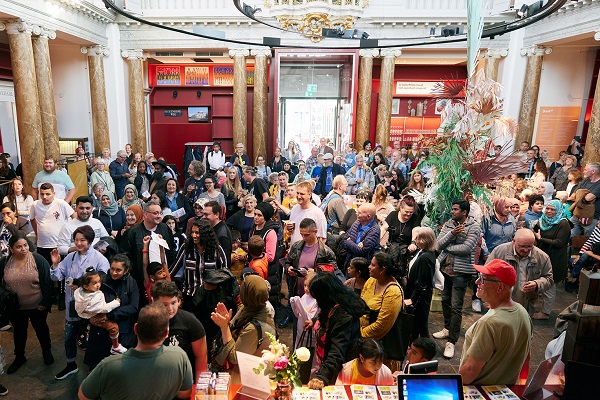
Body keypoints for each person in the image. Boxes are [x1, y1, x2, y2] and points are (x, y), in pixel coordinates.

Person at [78, 303, 193, 400]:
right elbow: (184, 393)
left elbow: (83, 396)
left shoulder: (108, 366)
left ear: (135, 329)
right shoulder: (179, 357)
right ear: (166, 332)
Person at [50, 225, 111, 379]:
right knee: (69, 336)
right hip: (73, 304)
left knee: (93, 336)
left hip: (92, 306)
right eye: (76, 240)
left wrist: (84, 284)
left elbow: (104, 282)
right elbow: (56, 277)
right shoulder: (70, 258)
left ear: (90, 241)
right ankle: (71, 364)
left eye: (82, 240)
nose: (78, 243)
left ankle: (94, 366)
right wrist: (56, 264)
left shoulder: (99, 259)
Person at [459, 259, 533, 386]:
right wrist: (521, 386)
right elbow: (526, 356)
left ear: (500, 287)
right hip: (505, 391)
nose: (477, 282)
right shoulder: (522, 312)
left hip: (479, 391)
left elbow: (471, 370)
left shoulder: (489, 323)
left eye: (483, 279)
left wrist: (453, 387)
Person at [433, 200, 481, 359]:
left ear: (464, 212)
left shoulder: (473, 226)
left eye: (455, 209)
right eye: (452, 209)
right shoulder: (449, 224)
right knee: (445, 300)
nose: (452, 212)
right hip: (445, 269)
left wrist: (447, 247)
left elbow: (466, 249)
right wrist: (452, 234)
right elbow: (437, 244)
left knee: (456, 306)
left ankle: (452, 341)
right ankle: (447, 328)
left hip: (461, 272)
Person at [0, 233, 54, 374]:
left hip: (37, 305)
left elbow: (47, 282)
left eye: (25, 245)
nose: (23, 249)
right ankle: (19, 357)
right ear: (11, 249)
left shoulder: (37, 259)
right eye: (19, 247)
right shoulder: (5, 262)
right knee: (19, 332)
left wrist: (45, 302)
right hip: (15, 307)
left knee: (41, 329)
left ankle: (46, 351)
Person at [210, 274, 276, 383]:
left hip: (247, 379)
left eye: (243, 286)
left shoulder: (255, 328)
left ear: (247, 294)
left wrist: (224, 327)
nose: (240, 287)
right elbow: (234, 326)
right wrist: (227, 322)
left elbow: (235, 357)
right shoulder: (249, 308)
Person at [307, 272, 368, 389]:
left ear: (324, 296)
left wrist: (322, 377)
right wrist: (315, 320)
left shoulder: (343, 314)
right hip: (331, 365)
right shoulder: (337, 303)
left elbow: (337, 349)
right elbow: (325, 315)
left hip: (341, 370)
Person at [84, 254, 140, 370]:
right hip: (100, 330)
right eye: (112, 269)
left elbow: (134, 307)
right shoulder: (101, 281)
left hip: (123, 332)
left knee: (120, 368)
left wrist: (109, 314)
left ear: (126, 271)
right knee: (97, 367)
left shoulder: (131, 283)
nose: (114, 272)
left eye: (118, 270)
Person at [281, 218, 337, 329]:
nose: (303, 238)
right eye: (301, 234)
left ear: (315, 232)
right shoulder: (297, 246)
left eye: (306, 235)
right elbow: (287, 261)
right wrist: (289, 269)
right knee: (298, 326)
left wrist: (316, 272)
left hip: (315, 296)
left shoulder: (326, 252)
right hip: (298, 289)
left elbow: (332, 271)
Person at [486, 229, 554, 318]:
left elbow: (549, 279)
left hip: (526, 306)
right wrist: (489, 298)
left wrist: (537, 284)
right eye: (522, 246)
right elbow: (486, 274)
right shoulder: (499, 252)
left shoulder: (542, 257)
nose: (526, 250)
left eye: (530, 246)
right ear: (513, 241)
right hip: (500, 303)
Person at [150, 280, 208, 384]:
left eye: (173, 303)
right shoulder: (148, 321)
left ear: (179, 301)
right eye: (164, 305)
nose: (170, 309)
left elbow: (201, 357)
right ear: (153, 301)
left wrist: (199, 387)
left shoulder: (191, 322)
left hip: (184, 382)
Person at [121, 201, 176, 303]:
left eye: (160, 213)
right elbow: (126, 256)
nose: (159, 216)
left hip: (165, 279)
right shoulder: (133, 232)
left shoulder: (165, 228)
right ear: (145, 214)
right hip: (142, 282)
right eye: (155, 213)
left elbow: (172, 250)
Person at [359, 252, 403, 370]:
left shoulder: (393, 292)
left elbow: (382, 326)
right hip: (364, 344)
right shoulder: (371, 280)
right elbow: (360, 304)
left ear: (382, 270)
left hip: (381, 351)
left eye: (373, 265)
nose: (369, 267)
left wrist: (360, 334)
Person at [171, 219, 227, 302]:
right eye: (192, 232)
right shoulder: (186, 248)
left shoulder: (216, 249)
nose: (194, 235)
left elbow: (225, 274)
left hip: (210, 297)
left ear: (205, 234)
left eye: (197, 233)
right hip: (189, 296)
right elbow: (173, 270)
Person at [533, 200, 571, 320]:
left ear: (559, 210)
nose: (549, 211)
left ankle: (546, 312)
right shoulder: (542, 220)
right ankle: (537, 307)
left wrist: (541, 238)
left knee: (549, 286)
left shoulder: (563, 224)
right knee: (539, 284)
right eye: (547, 208)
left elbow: (559, 243)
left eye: (552, 209)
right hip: (541, 257)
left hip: (555, 259)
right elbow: (534, 230)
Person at [74, 269, 127, 355]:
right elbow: (103, 308)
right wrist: (116, 302)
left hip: (89, 318)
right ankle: (115, 346)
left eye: (99, 282)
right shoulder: (94, 297)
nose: (98, 285)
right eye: (94, 283)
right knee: (114, 327)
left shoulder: (80, 294)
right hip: (98, 317)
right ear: (86, 286)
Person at [30, 182, 76, 264]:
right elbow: (32, 219)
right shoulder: (35, 205)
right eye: (42, 194)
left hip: (59, 244)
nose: (44, 197)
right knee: (45, 270)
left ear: (53, 193)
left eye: (48, 194)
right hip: (42, 244)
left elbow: (74, 217)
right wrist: (37, 233)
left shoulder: (61, 203)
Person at [404, 227, 437, 340]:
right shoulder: (422, 252)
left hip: (420, 298)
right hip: (416, 293)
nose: (415, 240)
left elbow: (422, 282)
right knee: (416, 326)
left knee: (421, 325)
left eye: (417, 238)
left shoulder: (426, 257)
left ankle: (425, 353)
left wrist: (412, 299)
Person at [384, 195, 420, 273]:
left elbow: (416, 230)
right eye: (406, 212)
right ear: (401, 208)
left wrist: (413, 243)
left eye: (411, 212)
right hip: (392, 247)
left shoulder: (415, 217)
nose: (408, 214)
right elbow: (384, 228)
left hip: (407, 249)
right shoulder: (393, 215)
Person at [342, 203, 381, 270]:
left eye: (359, 212)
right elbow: (344, 241)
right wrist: (355, 246)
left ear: (368, 216)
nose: (356, 213)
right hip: (350, 262)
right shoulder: (356, 223)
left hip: (363, 267)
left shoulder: (374, 230)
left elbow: (362, 251)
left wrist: (349, 242)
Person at [288, 181, 328, 246]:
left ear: (310, 195)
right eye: (297, 193)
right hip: (294, 252)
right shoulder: (294, 209)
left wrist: (314, 254)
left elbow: (322, 238)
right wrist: (290, 228)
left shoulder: (317, 213)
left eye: (302, 194)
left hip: (309, 253)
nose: (298, 196)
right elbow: (294, 231)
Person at [570, 162, 600, 236]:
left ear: (593, 171)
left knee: (587, 243)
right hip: (577, 214)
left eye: (586, 169)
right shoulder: (585, 181)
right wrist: (584, 195)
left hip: (592, 218)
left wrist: (580, 194)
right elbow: (572, 196)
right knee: (569, 237)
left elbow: (588, 198)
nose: (583, 171)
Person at [203, 200, 233, 267]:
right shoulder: (212, 227)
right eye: (203, 214)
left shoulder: (222, 235)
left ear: (216, 214)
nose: (204, 217)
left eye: (206, 214)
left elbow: (225, 259)